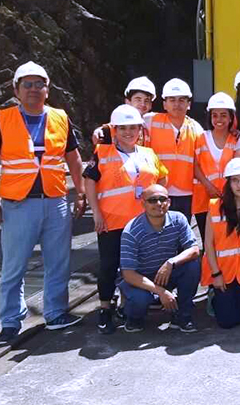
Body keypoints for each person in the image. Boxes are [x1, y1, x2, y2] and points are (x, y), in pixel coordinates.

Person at [0, 61, 85, 345]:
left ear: (48, 90)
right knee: (14, 266)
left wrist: (81, 194)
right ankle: (11, 321)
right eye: (27, 84)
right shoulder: (2, 120)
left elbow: (74, 158)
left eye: (40, 84)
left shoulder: (61, 118)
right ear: (16, 90)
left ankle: (55, 313)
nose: (34, 90)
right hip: (18, 204)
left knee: (58, 262)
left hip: (55, 202)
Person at [83, 105, 167, 334]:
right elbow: (89, 181)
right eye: (123, 128)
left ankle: (128, 305)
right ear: (115, 129)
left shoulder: (148, 153)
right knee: (109, 266)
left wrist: (160, 209)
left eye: (133, 128)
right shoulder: (103, 152)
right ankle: (105, 309)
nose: (129, 132)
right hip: (112, 221)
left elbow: (162, 179)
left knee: (136, 265)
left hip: (142, 223)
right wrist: (96, 213)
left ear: (140, 129)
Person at [119, 184, 201, 333]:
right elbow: (128, 274)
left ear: (169, 202)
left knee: (193, 264)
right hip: (140, 280)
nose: (158, 204)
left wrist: (171, 263)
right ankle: (134, 318)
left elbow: (194, 249)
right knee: (140, 300)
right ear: (143, 204)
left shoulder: (178, 219)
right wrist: (161, 292)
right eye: (152, 200)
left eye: (162, 199)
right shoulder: (131, 232)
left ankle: (183, 315)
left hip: (165, 273)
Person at [200, 158, 240, 329]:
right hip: (223, 273)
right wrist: (216, 274)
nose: (239, 185)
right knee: (226, 322)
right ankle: (213, 294)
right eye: (235, 180)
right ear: (228, 183)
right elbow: (208, 244)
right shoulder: (214, 206)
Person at [144, 78, 203, 218]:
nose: (177, 104)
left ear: (189, 104)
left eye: (182, 100)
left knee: (180, 235)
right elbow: (125, 124)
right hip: (158, 190)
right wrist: (104, 130)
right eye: (172, 100)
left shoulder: (196, 128)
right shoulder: (150, 120)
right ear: (164, 104)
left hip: (185, 193)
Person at [193, 92, 239, 246]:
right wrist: (208, 185)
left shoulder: (236, 140)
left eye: (223, 115)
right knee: (208, 242)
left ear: (231, 117)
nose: (219, 119)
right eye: (215, 115)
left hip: (229, 198)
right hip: (204, 199)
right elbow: (194, 165)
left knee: (227, 242)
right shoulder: (200, 138)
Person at [92, 76, 156, 147]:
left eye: (147, 100)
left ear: (151, 105)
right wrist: (101, 130)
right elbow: (112, 126)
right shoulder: (114, 126)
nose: (143, 104)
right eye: (138, 99)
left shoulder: (150, 121)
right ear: (128, 101)